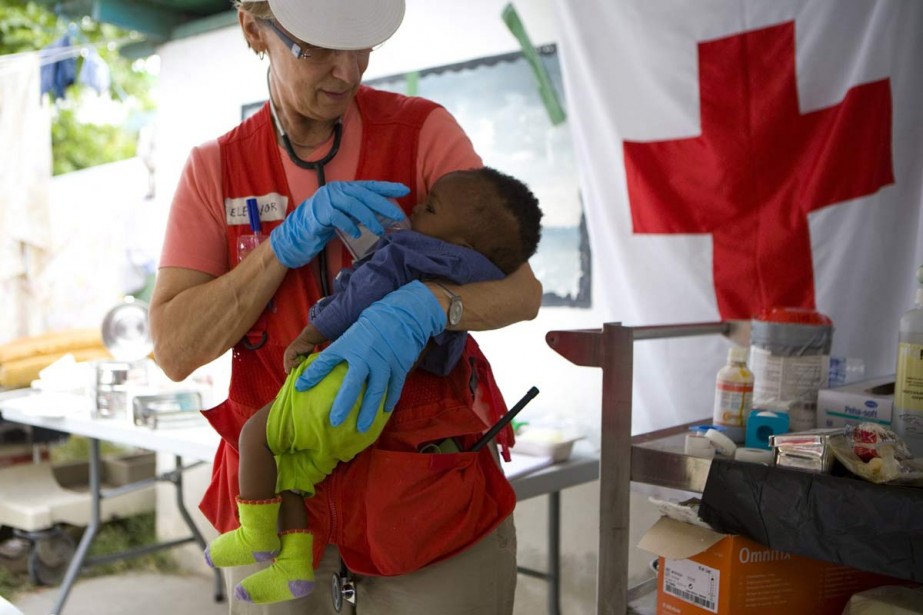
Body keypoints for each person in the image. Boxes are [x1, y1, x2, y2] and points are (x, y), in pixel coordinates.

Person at [149, 0, 543, 612]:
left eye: (361, 47)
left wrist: (423, 307)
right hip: (275, 494)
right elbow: (175, 350)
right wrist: (277, 251)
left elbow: (522, 292)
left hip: (422, 496)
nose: (346, 72)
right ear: (255, 29)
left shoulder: (422, 133)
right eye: (316, 49)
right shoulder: (216, 170)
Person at [204, 167, 542, 605]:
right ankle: (292, 566)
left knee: (258, 438)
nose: (417, 204)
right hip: (372, 410)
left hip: (334, 384)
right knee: (297, 474)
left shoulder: (406, 250)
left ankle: (256, 536)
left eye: (432, 206)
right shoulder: (474, 276)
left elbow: (361, 293)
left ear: (461, 241)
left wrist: (311, 333)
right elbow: (443, 358)